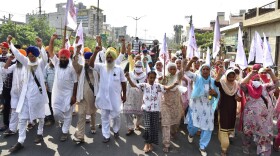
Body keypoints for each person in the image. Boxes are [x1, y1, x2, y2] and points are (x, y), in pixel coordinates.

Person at [7, 36, 49, 153]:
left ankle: (40, 133)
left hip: (39, 96)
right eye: (29, 56)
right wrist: (10, 43)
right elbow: (18, 55)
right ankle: (20, 141)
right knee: (22, 118)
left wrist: (41, 46)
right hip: (25, 96)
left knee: (41, 117)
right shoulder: (26, 63)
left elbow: (45, 57)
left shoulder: (41, 63)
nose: (30, 58)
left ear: (36, 56)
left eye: (32, 56)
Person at [125, 71, 178, 153]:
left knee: (153, 128)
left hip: (156, 110)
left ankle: (151, 144)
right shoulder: (144, 85)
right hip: (146, 110)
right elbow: (133, 85)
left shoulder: (157, 86)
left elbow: (166, 88)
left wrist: (174, 84)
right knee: (148, 127)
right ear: (147, 77)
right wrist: (128, 78)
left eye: (153, 77)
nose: (152, 79)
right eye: (150, 77)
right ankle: (146, 144)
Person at [89, 45, 126, 143]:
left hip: (115, 98)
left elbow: (123, 82)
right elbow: (91, 64)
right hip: (103, 98)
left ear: (114, 58)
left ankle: (116, 130)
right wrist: (95, 52)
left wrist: (124, 95)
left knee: (116, 116)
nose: (109, 59)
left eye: (111, 57)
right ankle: (106, 135)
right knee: (104, 117)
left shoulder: (119, 69)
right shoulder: (101, 67)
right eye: (107, 57)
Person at [185, 56, 220, 156]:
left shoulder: (213, 82)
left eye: (207, 69)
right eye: (203, 69)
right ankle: (191, 133)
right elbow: (186, 71)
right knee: (193, 126)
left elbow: (217, 95)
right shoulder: (197, 78)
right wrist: (191, 60)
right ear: (201, 70)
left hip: (208, 107)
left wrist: (214, 93)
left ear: (210, 71)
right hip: (196, 107)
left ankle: (203, 146)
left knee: (208, 128)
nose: (205, 71)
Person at [240, 68, 278, 156]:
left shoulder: (265, 87)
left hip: (264, 118)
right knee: (247, 133)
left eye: (258, 79)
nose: (256, 81)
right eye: (254, 80)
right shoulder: (248, 88)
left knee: (264, 135)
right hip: (250, 117)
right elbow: (241, 83)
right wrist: (250, 74)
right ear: (251, 81)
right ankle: (246, 147)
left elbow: (276, 83)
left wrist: (271, 73)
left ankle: (263, 152)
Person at [48, 34, 78, 142]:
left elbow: (75, 82)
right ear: (59, 57)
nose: (63, 59)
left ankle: (65, 132)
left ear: (68, 57)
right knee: (56, 113)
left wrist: (74, 96)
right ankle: (61, 122)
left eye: (65, 57)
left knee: (67, 113)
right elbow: (50, 52)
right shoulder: (56, 64)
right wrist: (52, 40)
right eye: (62, 57)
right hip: (57, 93)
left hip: (68, 93)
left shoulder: (71, 68)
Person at [72, 51, 99, 143]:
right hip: (81, 97)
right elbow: (74, 64)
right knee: (81, 115)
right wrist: (76, 51)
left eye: (89, 60)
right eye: (86, 60)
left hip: (93, 97)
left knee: (93, 113)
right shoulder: (81, 69)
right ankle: (80, 136)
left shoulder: (96, 71)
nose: (87, 62)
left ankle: (93, 126)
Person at [215, 69, 240, 156]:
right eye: (229, 77)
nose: (231, 78)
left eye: (233, 77)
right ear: (226, 76)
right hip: (223, 108)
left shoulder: (236, 85)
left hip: (232, 108)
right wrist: (219, 73)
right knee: (224, 127)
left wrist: (239, 99)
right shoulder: (222, 83)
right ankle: (224, 149)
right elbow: (216, 82)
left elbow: (239, 97)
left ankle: (223, 139)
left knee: (229, 128)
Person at [1, 49, 26, 136]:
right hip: (14, 93)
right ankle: (12, 129)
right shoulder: (15, 66)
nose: (18, 59)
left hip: (25, 94)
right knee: (14, 110)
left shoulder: (28, 67)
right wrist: (9, 59)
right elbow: (4, 70)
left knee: (26, 111)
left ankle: (32, 122)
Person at [159, 62, 183, 153]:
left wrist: (184, 57)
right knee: (165, 123)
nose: (173, 70)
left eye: (174, 68)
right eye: (171, 69)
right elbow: (163, 88)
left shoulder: (178, 77)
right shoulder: (164, 78)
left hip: (176, 103)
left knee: (176, 122)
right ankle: (166, 144)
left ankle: (173, 132)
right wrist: (163, 81)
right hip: (165, 103)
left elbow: (183, 70)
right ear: (168, 69)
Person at [123, 61, 146, 136]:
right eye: (136, 66)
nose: (138, 68)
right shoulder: (130, 74)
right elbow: (124, 83)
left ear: (142, 67)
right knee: (127, 112)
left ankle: (138, 124)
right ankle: (130, 127)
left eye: (139, 67)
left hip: (140, 96)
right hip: (130, 95)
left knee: (140, 113)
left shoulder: (145, 75)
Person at [0, 41, 14, 131]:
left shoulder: (11, 58)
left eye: (5, 48)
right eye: (2, 48)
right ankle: (6, 124)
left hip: (11, 85)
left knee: (13, 106)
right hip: (4, 85)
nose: (3, 50)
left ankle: (13, 125)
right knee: (6, 104)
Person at [44, 58, 55, 126]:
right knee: (49, 104)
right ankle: (51, 119)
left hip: (57, 91)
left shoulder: (59, 67)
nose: (52, 61)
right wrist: (45, 85)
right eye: (51, 60)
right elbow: (44, 77)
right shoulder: (47, 67)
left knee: (56, 105)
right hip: (49, 90)